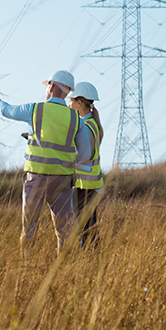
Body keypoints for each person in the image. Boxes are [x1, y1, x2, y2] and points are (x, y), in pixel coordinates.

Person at [0, 70, 91, 252]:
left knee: (29, 229)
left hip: (36, 179)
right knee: (65, 231)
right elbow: (85, 154)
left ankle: (26, 270)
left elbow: (6, 110)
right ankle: (66, 270)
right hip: (63, 181)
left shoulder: (35, 110)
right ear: (67, 91)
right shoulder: (76, 119)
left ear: (52, 85)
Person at [67, 82, 103, 247]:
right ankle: (92, 260)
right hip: (90, 185)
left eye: (71, 101)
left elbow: (83, 156)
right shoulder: (92, 124)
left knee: (85, 232)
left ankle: (90, 262)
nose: (69, 104)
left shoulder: (86, 127)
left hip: (84, 186)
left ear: (79, 103)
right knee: (89, 229)